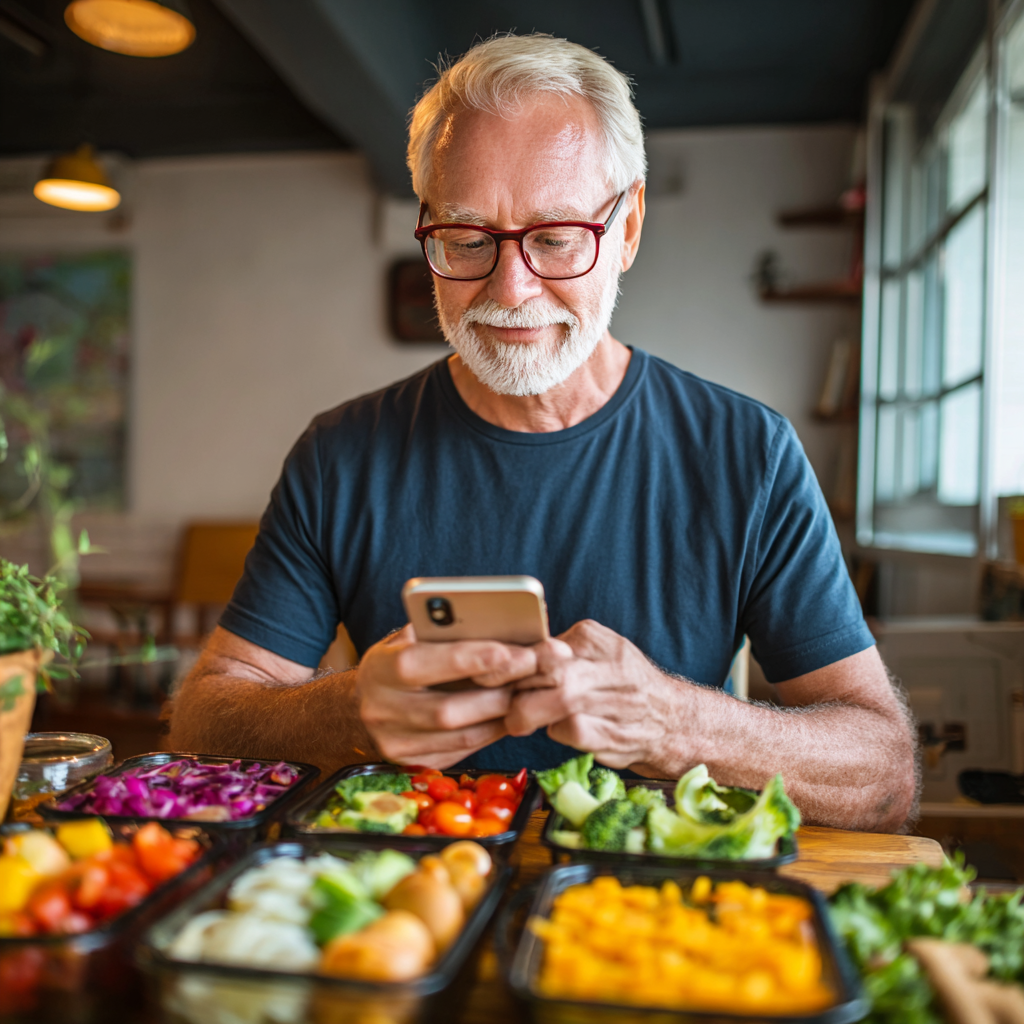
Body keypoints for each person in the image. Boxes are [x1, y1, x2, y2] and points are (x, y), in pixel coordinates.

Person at [169, 34, 917, 832]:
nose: (512, 288)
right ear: (428, 231)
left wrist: (672, 723)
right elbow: (200, 728)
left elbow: (885, 781)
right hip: (415, 910)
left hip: (657, 919)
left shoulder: (747, 454)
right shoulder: (339, 456)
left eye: (556, 238)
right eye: (467, 239)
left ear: (626, 229)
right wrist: (346, 713)